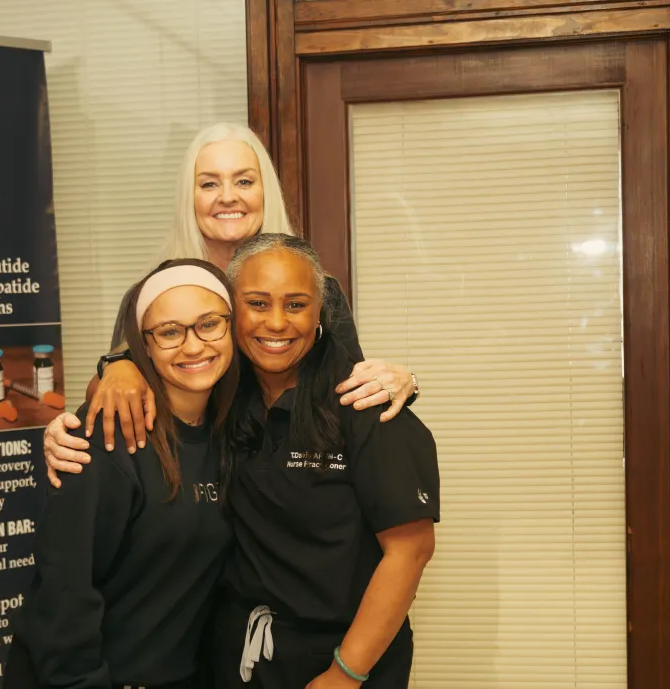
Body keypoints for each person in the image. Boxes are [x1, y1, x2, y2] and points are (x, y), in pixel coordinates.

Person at [43, 122, 421, 485]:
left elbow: (354, 393)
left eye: (244, 181)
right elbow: (113, 398)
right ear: (189, 198)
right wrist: (113, 373)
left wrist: (403, 382)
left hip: (295, 491)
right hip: (191, 490)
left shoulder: (322, 291)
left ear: (264, 191)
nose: (227, 196)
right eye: (209, 183)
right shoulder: (149, 295)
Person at [3, 260, 240, 689]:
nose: (194, 345)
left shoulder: (235, 429)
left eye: (210, 323)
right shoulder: (106, 438)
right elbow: (65, 583)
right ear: (144, 346)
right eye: (170, 332)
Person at [214, 233, 439, 689]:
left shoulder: (365, 403)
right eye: (257, 303)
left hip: (347, 660)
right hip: (246, 659)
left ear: (321, 312)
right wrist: (112, 371)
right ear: (231, 308)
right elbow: (152, 350)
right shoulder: (218, 395)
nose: (276, 322)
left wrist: (345, 675)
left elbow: (410, 551)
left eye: (296, 304)